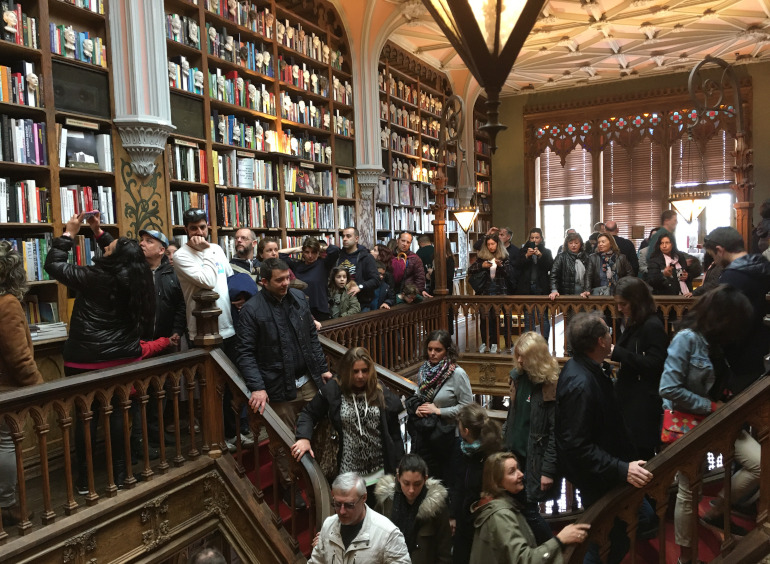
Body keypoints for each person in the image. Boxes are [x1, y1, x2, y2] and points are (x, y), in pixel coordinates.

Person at [45, 214, 155, 494]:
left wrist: (69, 235)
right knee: (118, 413)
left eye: (106, 247)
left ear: (111, 257)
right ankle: (119, 474)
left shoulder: (94, 277)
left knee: (86, 417)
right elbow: (122, 254)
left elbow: (54, 266)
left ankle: (84, 481)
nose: (104, 247)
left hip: (85, 360)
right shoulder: (139, 276)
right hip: (122, 360)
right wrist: (98, 232)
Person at [658, 285, 754, 563]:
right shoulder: (687, 339)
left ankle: (715, 511)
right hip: (692, 423)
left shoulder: (716, 341)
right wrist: (711, 406)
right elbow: (668, 389)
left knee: (760, 464)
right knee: (689, 490)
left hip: (719, 419)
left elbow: (718, 380)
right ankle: (685, 559)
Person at [555, 312, 654, 564]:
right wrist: (621, 469)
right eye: (608, 331)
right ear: (601, 341)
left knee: (638, 520)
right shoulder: (581, 383)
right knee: (606, 542)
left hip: (609, 470)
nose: (612, 335)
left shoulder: (588, 369)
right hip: (601, 478)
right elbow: (576, 445)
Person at [237, 258, 332, 508]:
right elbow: (245, 352)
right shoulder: (251, 310)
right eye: (279, 280)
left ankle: (320, 479)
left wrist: (322, 369)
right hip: (278, 386)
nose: (285, 283)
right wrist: (257, 386)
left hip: (308, 379)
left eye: (287, 277)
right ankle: (289, 487)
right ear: (264, 282)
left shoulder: (299, 299)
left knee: (323, 425)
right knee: (283, 442)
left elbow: (312, 337)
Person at [293, 347, 404, 495]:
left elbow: (394, 433)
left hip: (381, 475)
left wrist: (399, 464)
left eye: (364, 371)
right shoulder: (333, 389)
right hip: (348, 475)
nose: (360, 376)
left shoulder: (379, 391)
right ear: (346, 371)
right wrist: (304, 438)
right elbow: (308, 414)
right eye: (355, 371)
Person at [469, 452, 589, 563]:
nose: (521, 474)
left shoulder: (503, 506)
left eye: (518, 469)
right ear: (498, 482)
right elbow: (523, 560)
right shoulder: (501, 515)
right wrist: (560, 540)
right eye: (512, 471)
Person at [0, 241, 44, 526]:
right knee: (6, 443)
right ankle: (7, 505)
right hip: (6, 391)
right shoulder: (7, 304)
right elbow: (19, 358)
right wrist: (40, 387)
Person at [502, 332, 560, 545]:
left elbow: (556, 432)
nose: (519, 360)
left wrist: (548, 470)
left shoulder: (549, 385)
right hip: (513, 455)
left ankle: (555, 549)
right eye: (517, 355)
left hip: (534, 459)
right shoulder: (517, 378)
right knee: (519, 508)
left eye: (523, 356)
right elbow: (513, 416)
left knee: (529, 510)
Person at [703, 226, 770, 394]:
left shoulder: (732, 278)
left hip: (741, 359)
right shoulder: (761, 266)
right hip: (762, 351)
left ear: (719, 250)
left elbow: (725, 325)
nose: (715, 262)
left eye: (712, 256)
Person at [611, 277, 668, 460]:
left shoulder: (652, 325)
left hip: (642, 405)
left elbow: (656, 364)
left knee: (640, 458)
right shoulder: (636, 321)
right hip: (631, 399)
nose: (620, 309)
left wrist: (617, 352)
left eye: (623, 304)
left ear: (636, 301)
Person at [407, 330, 472, 484]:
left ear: (447, 351)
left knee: (448, 485)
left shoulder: (457, 374)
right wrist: (417, 407)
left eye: (438, 350)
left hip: (450, 439)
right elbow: (419, 395)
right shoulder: (424, 371)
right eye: (430, 349)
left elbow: (468, 408)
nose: (432, 354)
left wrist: (438, 411)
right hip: (428, 438)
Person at [309, 472, 411, 564]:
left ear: (364, 498)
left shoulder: (387, 534)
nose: (342, 511)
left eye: (349, 505)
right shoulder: (328, 525)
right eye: (337, 504)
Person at [173, 208, 235, 353]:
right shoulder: (181, 255)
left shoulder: (217, 249)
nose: (199, 233)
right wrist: (206, 250)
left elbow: (229, 278)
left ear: (207, 226)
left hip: (228, 325)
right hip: (202, 331)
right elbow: (208, 282)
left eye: (202, 227)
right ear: (186, 230)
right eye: (193, 228)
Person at [374, 454, 452, 564]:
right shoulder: (386, 501)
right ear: (398, 477)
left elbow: (444, 552)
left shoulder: (436, 506)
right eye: (406, 483)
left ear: (425, 479)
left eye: (417, 484)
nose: (411, 490)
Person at [450, 403, 502, 564]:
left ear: (465, 431)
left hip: (483, 520)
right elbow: (458, 484)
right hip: (463, 520)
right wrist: (453, 515)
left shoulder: (490, 455)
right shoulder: (461, 449)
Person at [468, 234, 515, 353]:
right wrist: (482, 265)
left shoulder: (504, 257)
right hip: (485, 292)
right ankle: (485, 342)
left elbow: (510, 273)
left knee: (495, 318)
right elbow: (470, 270)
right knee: (484, 318)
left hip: (499, 291)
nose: (490, 247)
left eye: (493, 244)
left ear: (497, 244)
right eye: (488, 244)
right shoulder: (482, 257)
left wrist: (501, 266)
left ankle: (494, 342)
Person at [280, 236, 341, 320]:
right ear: (303, 252)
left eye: (313, 252)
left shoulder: (324, 264)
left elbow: (335, 250)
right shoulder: (297, 265)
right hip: (301, 309)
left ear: (318, 252)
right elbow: (279, 255)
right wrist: (298, 249)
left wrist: (320, 247)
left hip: (320, 309)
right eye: (307, 252)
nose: (310, 255)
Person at [516, 228, 553, 342]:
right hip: (526, 287)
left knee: (543, 316)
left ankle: (544, 341)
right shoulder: (523, 251)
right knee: (528, 317)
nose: (534, 240)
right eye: (532, 238)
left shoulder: (546, 251)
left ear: (541, 239)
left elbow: (550, 267)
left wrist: (540, 256)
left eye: (537, 237)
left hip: (541, 286)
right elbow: (517, 266)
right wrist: (527, 256)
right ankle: (529, 342)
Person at [336, 227, 380, 309]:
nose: (344, 239)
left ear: (356, 239)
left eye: (348, 236)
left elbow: (376, 280)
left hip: (361, 303)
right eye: (343, 236)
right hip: (340, 303)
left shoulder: (366, 257)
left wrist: (360, 287)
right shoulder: (339, 256)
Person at [580, 233, 633, 297]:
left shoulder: (621, 257)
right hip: (599, 292)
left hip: (618, 293)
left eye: (603, 242)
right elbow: (588, 275)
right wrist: (587, 290)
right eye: (599, 242)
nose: (600, 244)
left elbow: (630, 274)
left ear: (611, 243)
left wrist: (624, 286)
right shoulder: (593, 257)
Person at [394, 231, 431, 297]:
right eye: (403, 241)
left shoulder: (415, 259)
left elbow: (420, 279)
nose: (405, 244)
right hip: (393, 293)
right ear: (397, 241)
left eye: (408, 242)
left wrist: (413, 294)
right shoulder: (390, 256)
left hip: (409, 295)